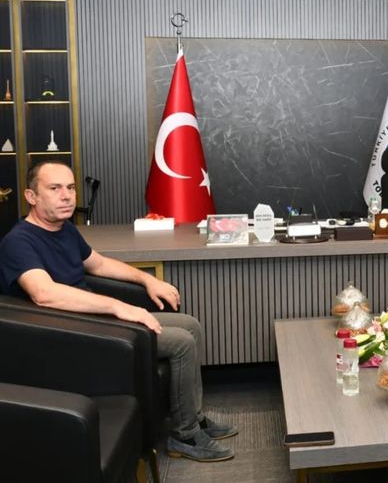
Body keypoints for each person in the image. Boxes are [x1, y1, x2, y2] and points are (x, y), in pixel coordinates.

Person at [0, 161, 238, 463]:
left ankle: (192, 415)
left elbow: (98, 264)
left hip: (94, 319)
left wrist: (147, 280)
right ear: (31, 196)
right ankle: (185, 435)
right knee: (181, 343)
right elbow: (44, 294)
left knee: (190, 325)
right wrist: (119, 307)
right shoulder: (18, 242)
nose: (66, 196)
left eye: (70, 188)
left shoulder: (64, 229)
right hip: (69, 332)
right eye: (55, 188)